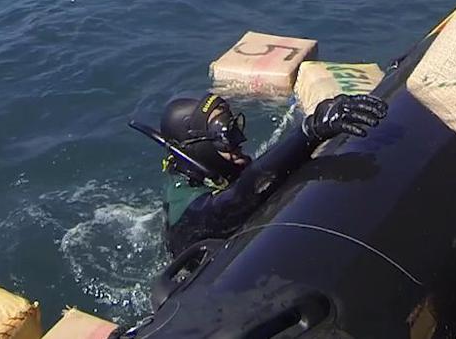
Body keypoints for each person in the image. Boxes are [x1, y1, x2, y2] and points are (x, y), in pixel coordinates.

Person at [132, 92, 387, 255]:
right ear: (199, 146)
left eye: (235, 126)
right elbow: (237, 199)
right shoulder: (188, 207)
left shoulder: (218, 173)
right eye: (225, 134)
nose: (240, 139)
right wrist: (310, 131)